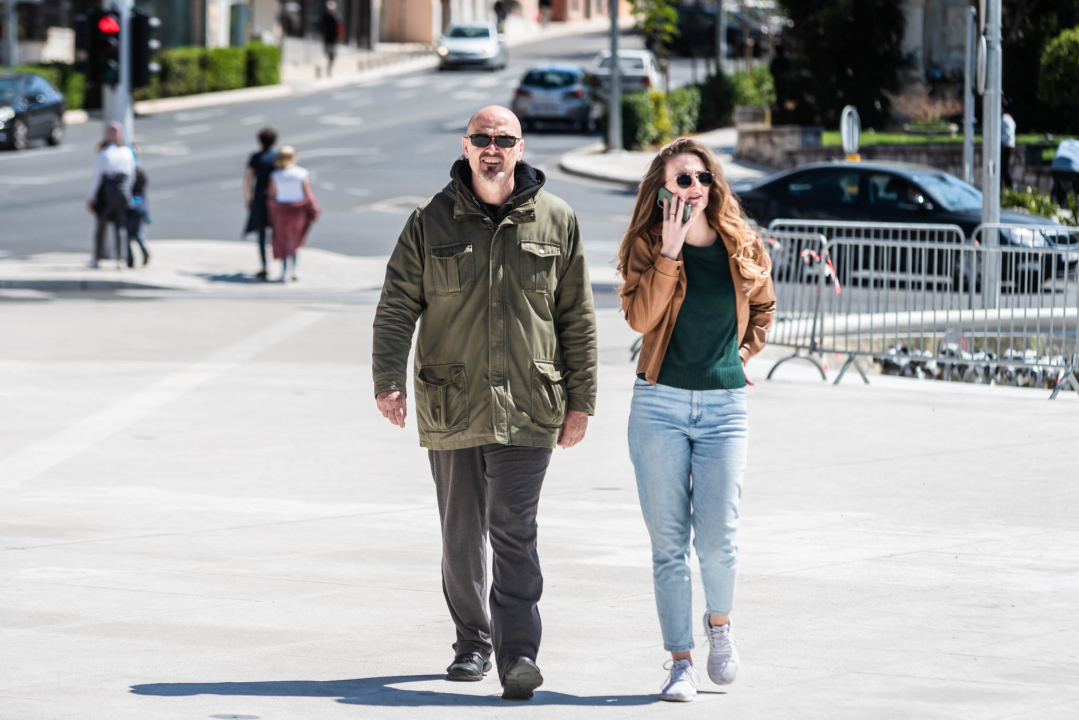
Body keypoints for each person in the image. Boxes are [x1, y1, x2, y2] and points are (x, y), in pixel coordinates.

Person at [372, 105, 597, 701]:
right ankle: (472, 641)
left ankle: (519, 652)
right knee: (461, 533)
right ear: (466, 147)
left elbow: (576, 317)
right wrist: (388, 381)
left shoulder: (557, 219)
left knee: (514, 530)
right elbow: (397, 304)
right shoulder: (430, 221)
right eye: (482, 139)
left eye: (504, 139)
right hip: (452, 401)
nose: (492, 148)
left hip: (530, 404)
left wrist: (582, 402)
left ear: (520, 148)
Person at [618, 137, 775, 702]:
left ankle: (720, 627)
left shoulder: (741, 242)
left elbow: (764, 304)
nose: (694, 188)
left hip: (724, 408)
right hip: (658, 405)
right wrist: (670, 248)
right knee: (667, 544)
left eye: (702, 178)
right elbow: (641, 318)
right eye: (682, 179)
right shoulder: (647, 243)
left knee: (719, 542)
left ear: (714, 184)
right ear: (662, 187)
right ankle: (680, 659)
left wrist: (741, 356)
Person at [87, 121, 136, 269]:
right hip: (122, 194)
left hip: (105, 194)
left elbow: (97, 177)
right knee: (120, 228)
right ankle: (121, 260)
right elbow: (131, 176)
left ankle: (96, 259)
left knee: (101, 228)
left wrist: (91, 197)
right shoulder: (127, 152)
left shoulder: (104, 152)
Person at [267, 146, 319, 282]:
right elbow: (308, 193)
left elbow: (272, 194)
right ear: (292, 157)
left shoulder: (275, 175)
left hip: (281, 210)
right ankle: (295, 269)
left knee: (282, 239)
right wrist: (314, 208)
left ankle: (284, 271)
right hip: (298, 209)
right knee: (296, 238)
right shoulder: (302, 173)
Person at [243, 127, 278, 280]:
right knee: (278, 232)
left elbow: (248, 179)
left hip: (259, 197)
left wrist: (248, 197)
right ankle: (284, 264)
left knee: (262, 234)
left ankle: (265, 266)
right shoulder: (277, 157)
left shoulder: (255, 157)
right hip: (275, 198)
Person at [126, 144, 151, 267]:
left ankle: (130, 259)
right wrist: (146, 212)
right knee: (137, 233)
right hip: (140, 208)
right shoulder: (141, 172)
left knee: (127, 234)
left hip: (129, 207)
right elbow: (144, 194)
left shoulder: (128, 172)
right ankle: (141, 251)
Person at [319, 1, 344, 77]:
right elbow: (322, 26)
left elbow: (340, 27)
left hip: (334, 37)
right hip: (327, 36)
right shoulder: (325, 15)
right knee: (326, 51)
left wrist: (339, 36)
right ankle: (329, 63)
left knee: (332, 52)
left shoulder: (337, 16)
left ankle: (330, 66)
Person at [1001, 101, 1016, 190]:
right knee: (1005, 170)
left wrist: (997, 139)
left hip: (1006, 147)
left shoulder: (1004, 118)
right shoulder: (1009, 118)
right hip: (1008, 146)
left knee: (1004, 170)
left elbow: (1008, 134)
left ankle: (1008, 188)